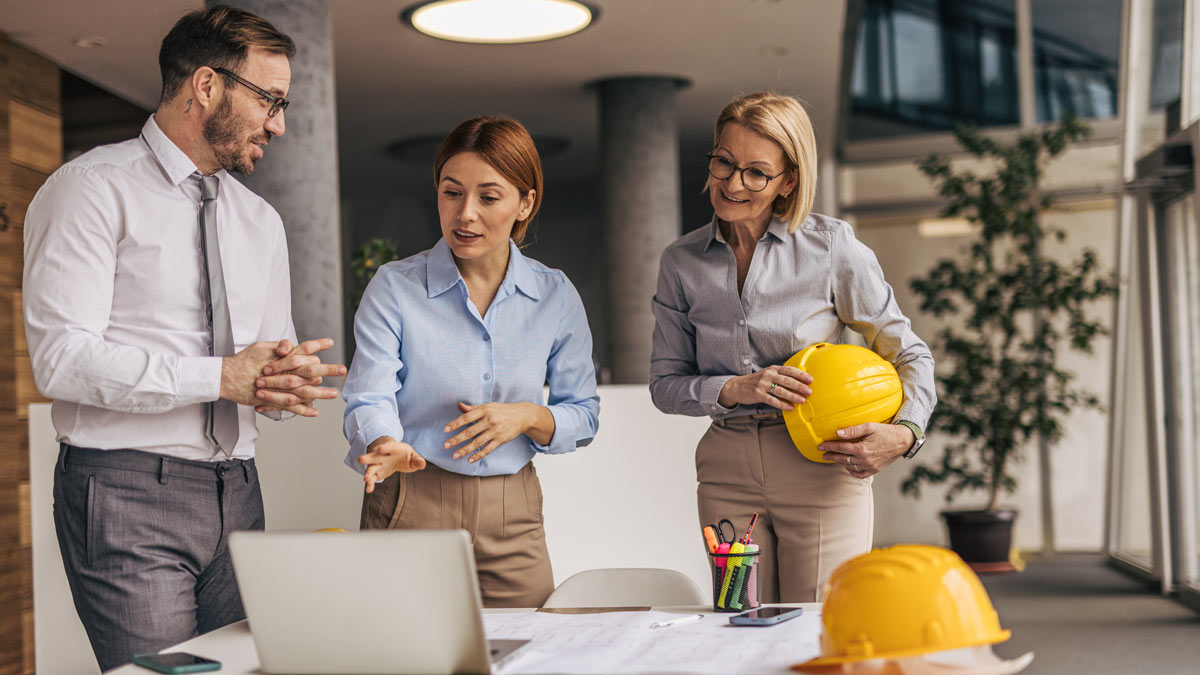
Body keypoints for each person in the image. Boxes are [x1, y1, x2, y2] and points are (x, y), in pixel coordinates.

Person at [22, 6, 345, 670]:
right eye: (270, 100)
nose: (279, 124)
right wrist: (222, 376)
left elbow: (261, 361)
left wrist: (280, 386)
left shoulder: (262, 221)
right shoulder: (89, 190)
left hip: (239, 490)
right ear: (206, 86)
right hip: (124, 491)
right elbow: (61, 359)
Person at [649, 92, 936, 602]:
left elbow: (910, 353)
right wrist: (736, 388)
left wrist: (905, 433)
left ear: (789, 180)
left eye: (756, 172)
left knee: (819, 628)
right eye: (723, 162)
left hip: (822, 467)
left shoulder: (832, 247)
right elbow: (665, 385)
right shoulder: (681, 261)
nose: (732, 183)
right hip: (726, 471)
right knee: (740, 624)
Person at [343, 115, 600, 608]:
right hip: (411, 497)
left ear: (525, 202)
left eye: (488, 196)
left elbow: (583, 414)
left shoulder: (555, 296)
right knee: (402, 655)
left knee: (530, 656)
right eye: (451, 192)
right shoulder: (395, 287)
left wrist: (527, 415)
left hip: (514, 512)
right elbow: (369, 393)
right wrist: (383, 441)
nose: (465, 214)